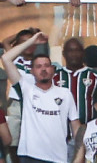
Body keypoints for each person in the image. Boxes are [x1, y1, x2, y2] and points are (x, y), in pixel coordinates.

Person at [2, 30, 80, 163]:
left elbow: (76, 126)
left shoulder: (65, 93)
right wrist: (32, 41)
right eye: (38, 66)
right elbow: (6, 59)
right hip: (30, 157)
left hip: (59, 158)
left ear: (53, 69)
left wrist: (78, 156)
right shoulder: (26, 89)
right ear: (32, 71)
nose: (43, 69)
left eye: (46, 66)